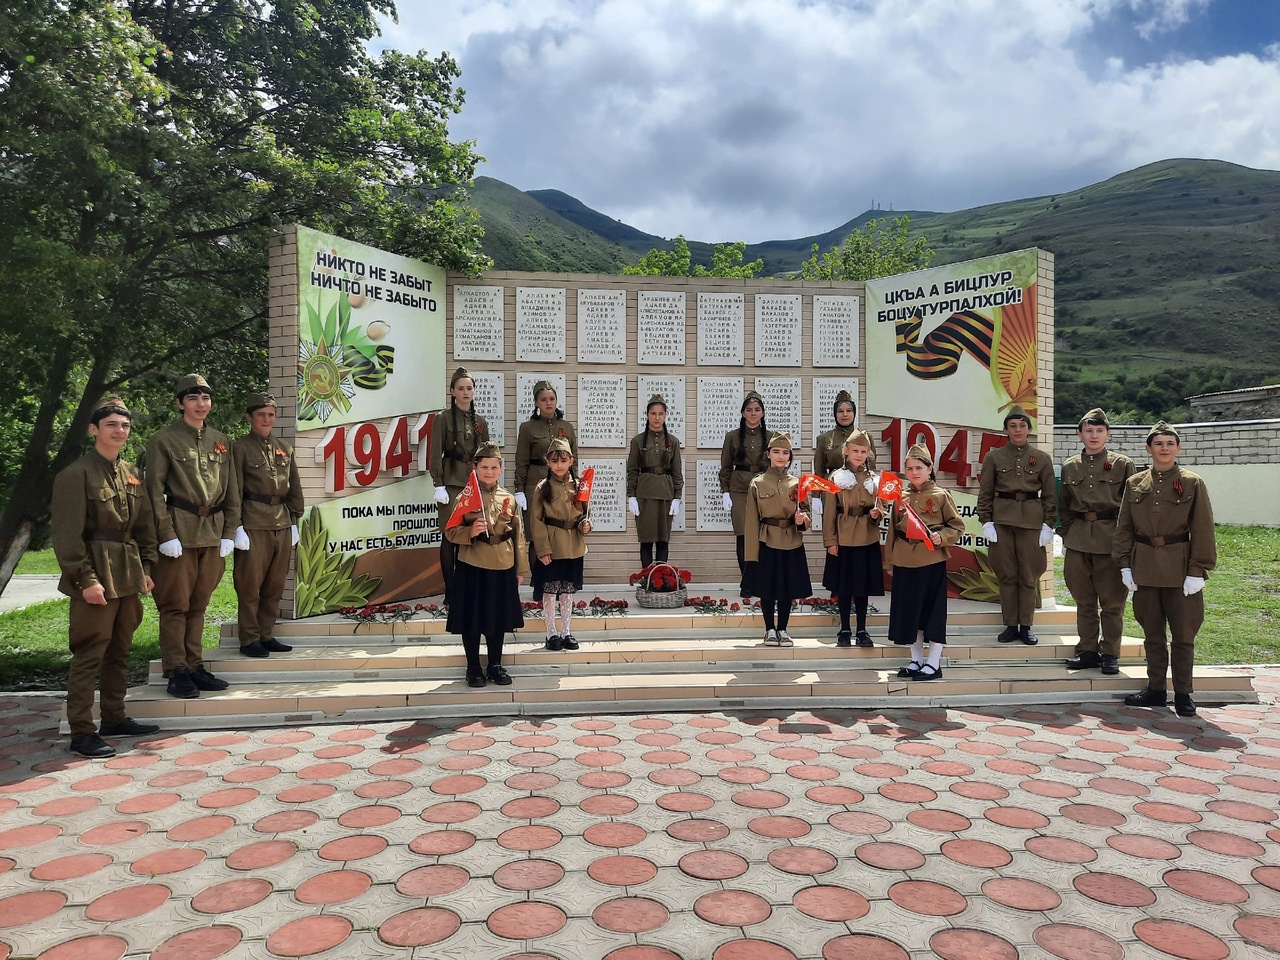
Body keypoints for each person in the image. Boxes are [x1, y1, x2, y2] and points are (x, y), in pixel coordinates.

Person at [51, 396, 161, 757]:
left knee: (119, 651)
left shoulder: (131, 472)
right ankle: (82, 731)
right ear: (94, 429)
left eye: (125, 425)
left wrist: (146, 569)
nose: (120, 430)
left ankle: (114, 717)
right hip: (97, 571)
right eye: (112, 424)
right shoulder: (75, 474)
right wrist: (86, 581)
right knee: (89, 653)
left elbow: (144, 526)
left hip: (128, 574)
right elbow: (67, 536)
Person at [1114, 422, 1217, 717]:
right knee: (1152, 634)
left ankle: (1184, 693)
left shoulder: (1192, 482)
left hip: (1180, 569)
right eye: (1158, 443)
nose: (1164, 448)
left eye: (1170, 443)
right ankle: (1156, 689)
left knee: (1183, 636)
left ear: (1178, 448)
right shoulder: (1135, 484)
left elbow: (1203, 528)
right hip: (1144, 566)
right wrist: (1124, 565)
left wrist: (1197, 570)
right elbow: (1124, 527)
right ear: (1149, 448)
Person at [145, 373, 235, 699]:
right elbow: (153, 492)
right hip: (179, 533)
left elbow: (232, 490)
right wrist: (165, 533)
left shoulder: (221, 440)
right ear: (180, 402)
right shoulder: (163, 440)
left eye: (206, 397)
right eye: (193, 397)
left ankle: (195, 666)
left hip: (212, 533)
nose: (201, 404)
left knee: (199, 605)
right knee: (175, 606)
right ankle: (177, 670)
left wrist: (230, 530)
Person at [224, 393, 306, 658]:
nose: (267, 419)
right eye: (261, 414)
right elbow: (233, 488)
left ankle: (266, 634)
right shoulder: (239, 448)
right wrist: (236, 526)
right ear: (249, 417)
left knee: (275, 584)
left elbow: (294, 486)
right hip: (253, 521)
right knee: (249, 585)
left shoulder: (284, 447)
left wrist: (294, 519)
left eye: (271, 414)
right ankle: (249, 639)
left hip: (281, 521)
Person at [1058, 408, 1136, 675]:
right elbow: (1064, 506)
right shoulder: (1070, 466)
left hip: (1110, 538)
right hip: (1079, 539)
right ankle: (1087, 650)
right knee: (1084, 600)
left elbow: (1131, 506)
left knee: (1113, 603)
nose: (1094, 435)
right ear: (1079, 433)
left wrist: (1126, 541)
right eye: (1088, 431)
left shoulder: (1122, 464)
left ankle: (1110, 653)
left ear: (1108, 433)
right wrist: (1066, 534)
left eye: (1099, 430)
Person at [444, 442, 529, 687]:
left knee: (497, 620)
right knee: (472, 619)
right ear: (475, 468)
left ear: (501, 469)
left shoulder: (509, 499)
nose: (489, 472)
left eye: (494, 467)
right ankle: (473, 667)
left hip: (502, 565)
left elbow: (519, 536)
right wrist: (469, 531)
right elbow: (450, 532)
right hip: (472, 565)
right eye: (484, 467)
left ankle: (494, 665)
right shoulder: (466, 497)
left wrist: (521, 569)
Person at [976, 404, 1056, 645]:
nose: (1018, 429)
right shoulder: (994, 457)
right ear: (1006, 430)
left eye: (1022, 425)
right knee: (1007, 574)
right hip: (1002, 521)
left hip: (1031, 521)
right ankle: (1011, 625)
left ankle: (1027, 625)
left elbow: (1051, 494)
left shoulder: (1042, 458)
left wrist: (1048, 524)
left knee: (1029, 575)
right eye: (1013, 426)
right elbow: (986, 492)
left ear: (1029, 429)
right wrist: (986, 521)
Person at [886, 444, 966, 680]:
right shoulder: (901, 496)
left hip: (931, 559)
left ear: (930, 468)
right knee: (909, 612)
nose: (914, 472)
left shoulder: (941, 496)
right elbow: (892, 530)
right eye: (909, 468)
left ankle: (934, 663)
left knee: (932, 612)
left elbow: (957, 526)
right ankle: (916, 660)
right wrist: (889, 562)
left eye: (919, 467)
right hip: (904, 559)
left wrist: (941, 537)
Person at [743, 433, 812, 647]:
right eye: (776, 452)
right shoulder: (758, 483)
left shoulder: (798, 484)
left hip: (791, 539)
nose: (781, 456)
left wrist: (802, 519)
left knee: (786, 588)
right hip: (767, 539)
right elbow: (751, 521)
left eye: (785, 452)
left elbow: (806, 512)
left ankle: (783, 628)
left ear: (790, 456)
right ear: (768, 454)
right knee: (768, 588)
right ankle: (769, 630)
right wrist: (751, 554)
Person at [429, 366, 490, 601]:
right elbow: (436, 453)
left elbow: (486, 455)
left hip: (473, 483)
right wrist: (438, 483)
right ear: (452, 391)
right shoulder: (443, 419)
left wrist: (486, 484)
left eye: (469, 388)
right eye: (461, 388)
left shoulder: (480, 422)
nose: (466, 392)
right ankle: (451, 591)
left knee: (471, 535)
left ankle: (467, 587)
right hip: (451, 483)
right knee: (449, 536)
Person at [822, 430, 885, 648]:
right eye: (855, 450)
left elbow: (881, 507)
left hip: (867, 537)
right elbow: (829, 512)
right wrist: (830, 541)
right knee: (845, 586)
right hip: (844, 536)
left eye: (863, 451)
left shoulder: (874, 480)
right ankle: (844, 628)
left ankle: (862, 629)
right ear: (846, 452)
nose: (859, 455)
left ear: (869, 453)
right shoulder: (836, 477)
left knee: (863, 586)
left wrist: (878, 515)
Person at [530, 437, 594, 651]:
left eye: (563, 460)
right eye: (554, 460)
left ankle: (566, 631)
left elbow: (585, 512)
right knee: (550, 591)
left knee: (567, 591)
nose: (559, 464)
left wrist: (586, 524)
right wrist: (543, 549)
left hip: (573, 545)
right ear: (547, 462)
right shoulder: (543, 487)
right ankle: (551, 633)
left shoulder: (579, 486)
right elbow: (536, 521)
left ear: (571, 461)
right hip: (553, 545)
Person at [515, 380, 578, 571]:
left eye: (552, 399)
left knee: (559, 533)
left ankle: (557, 583)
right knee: (537, 535)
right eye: (543, 400)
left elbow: (574, 458)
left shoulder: (566, 427)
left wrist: (576, 486)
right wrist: (519, 490)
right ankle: (538, 585)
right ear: (536, 403)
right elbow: (521, 460)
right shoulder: (527, 428)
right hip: (536, 484)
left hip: (562, 486)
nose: (548, 403)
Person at [626, 394, 684, 569]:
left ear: (665, 415)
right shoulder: (637, 441)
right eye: (653, 413)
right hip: (645, 495)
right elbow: (632, 470)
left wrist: (677, 497)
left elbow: (676, 471)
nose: (657, 418)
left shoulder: (672, 442)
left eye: (660, 414)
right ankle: (646, 580)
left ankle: (660, 578)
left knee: (662, 540)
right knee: (646, 540)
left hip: (665, 494)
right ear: (647, 415)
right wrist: (631, 496)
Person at [720, 391, 769, 595]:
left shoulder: (771, 436)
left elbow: (778, 464)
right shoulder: (732, 436)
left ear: (763, 413)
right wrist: (725, 491)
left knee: (761, 535)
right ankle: (746, 582)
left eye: (757, 410)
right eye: (749, 410)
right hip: (739, 488)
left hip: (764, 489)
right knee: (743, 535)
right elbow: (725, 466)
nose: (753, 413)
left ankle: (760, 580)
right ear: (742, 413)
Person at [812, 389, 877, 527]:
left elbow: (872, 467)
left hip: (859, 492)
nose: (845, 414)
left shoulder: (866, 437)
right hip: (833, 492)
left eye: (849, 410)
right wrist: (816, 496)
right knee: (834, 533)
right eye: (840, 411)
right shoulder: (824, 439)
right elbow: (819, 470)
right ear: (835, 414)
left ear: (854, 413)